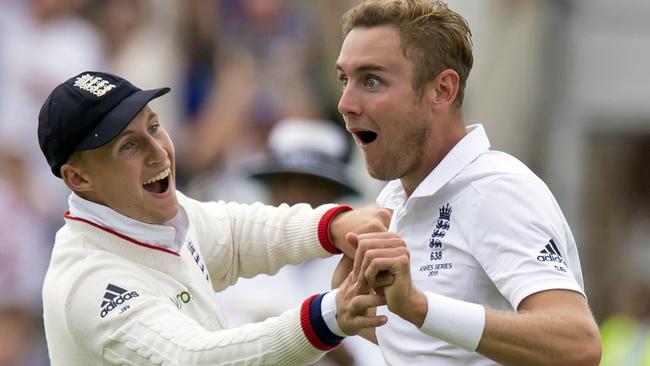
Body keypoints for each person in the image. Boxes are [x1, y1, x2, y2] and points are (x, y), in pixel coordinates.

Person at [37, 71, 390, 365]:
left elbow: (235, 234)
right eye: (128, 145)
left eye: (154, 127)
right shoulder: (89, 283)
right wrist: (329, 316)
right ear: (78, 179)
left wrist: (332, 225)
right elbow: (195, 358)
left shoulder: (155, 215)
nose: (159, 151)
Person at [331, 1, 602, 365]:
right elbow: (428, 344)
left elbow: (578, 345)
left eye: (372, 80)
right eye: (344, 80)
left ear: (442, 89)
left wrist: (419, 306)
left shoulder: (497, 190)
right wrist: (347, 298)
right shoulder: (394, 198)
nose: (345, 103)